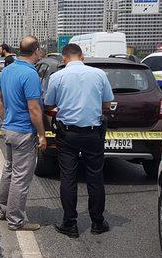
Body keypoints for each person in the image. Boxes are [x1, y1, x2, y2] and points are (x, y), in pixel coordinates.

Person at [44, 43, 114, 238]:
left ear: (64, 58)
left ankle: (70, 223)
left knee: (68, 176)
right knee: (95, 176)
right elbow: (107, 104)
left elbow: (49, 104)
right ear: (81, 56)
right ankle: (98, 222)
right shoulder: (99, 74)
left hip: (68, 134)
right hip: (93, 133)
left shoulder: (57, 77)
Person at [0, 35, 47, 231]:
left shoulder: (7, 70)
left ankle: (4, 210)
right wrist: (41, 135)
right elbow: (34, 109)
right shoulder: (30, 74)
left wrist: (6, 117)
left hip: (8, 129)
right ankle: (16, 220)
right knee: (20, 178)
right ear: (36, 50)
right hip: (24, 132)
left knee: (9, 171)